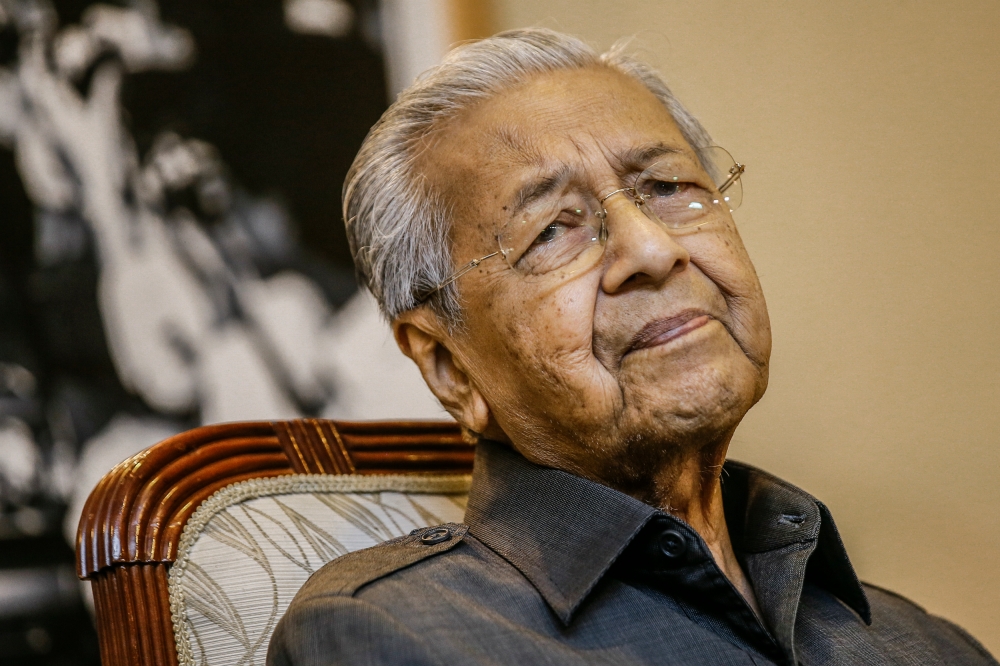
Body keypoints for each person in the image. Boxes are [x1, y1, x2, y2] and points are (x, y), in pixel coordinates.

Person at [267, 28, 997, 665]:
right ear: (450, 368)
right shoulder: (397, 635)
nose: (653, 249)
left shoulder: (927, 644)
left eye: (669, 186)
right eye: (552, 230)